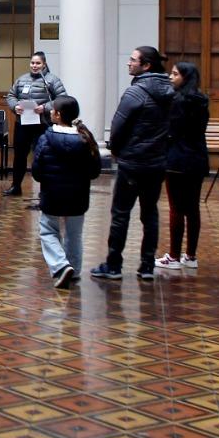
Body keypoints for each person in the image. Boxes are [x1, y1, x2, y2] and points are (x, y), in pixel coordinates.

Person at [91, 46, 174, 283]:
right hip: (156, 161)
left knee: (120, 214)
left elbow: (119, 125)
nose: (128, 63)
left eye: (132, 60)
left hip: (133, 162)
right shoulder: (169, 91)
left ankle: (114, 265)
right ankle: (147, 266)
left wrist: (115, 149)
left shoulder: (136, 92)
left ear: (146, 65)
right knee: (150, 214)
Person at [32, 96, 103, 289]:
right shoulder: (85, 138)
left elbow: (37, 171)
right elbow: (94, 170)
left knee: (48, 231)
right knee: (74, 234)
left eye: (52, 110)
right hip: (78, 196)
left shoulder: (46, 138)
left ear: (58, 114)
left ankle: (61, 265)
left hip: (52, 194)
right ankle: (74, 269)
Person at [156, 61, 209, 270]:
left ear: (185, 77)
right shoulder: (202, 100)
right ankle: (191, 255)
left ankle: (174, 256)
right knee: (193, 208)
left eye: (175, 74)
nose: (170, 77)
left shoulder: (176, 101)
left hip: (177, 159)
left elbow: (171, 130)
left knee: (176, 208)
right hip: (197, 158)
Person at [4, 51, 66, 198]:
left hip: (42, 124)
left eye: (38, 63)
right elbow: (11, 95)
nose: (34, 66)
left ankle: (44, 191)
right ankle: (16, 186)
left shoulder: (52, 80)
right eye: (32, 63)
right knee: (19, 156)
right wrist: (15, 106)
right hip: (23, 124)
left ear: (44, 64)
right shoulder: (22, 79)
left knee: (43, 156)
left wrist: (44, 108)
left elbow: (62, 98)